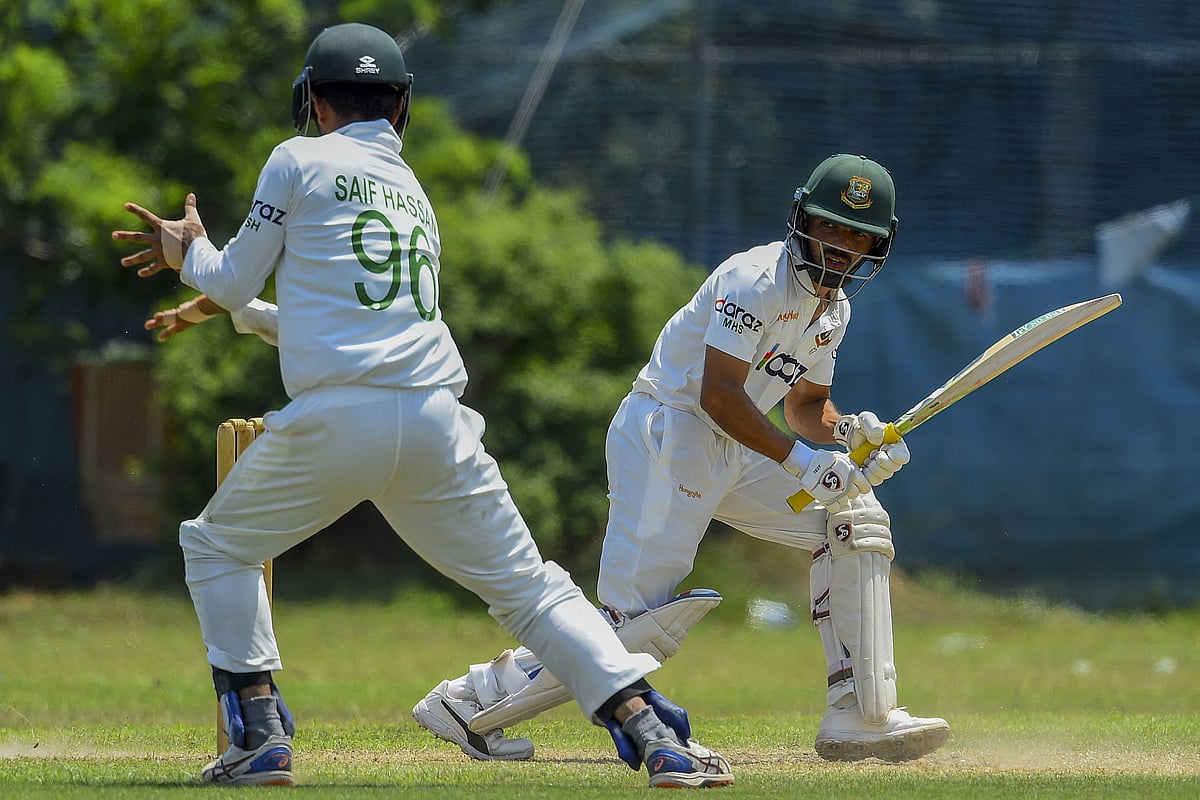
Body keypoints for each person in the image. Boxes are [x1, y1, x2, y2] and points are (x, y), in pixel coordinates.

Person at [112, 23, 739, 789]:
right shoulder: (411, 192)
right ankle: (654, 734)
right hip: (436, 424)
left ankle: (261, 734)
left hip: (338, 420)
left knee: (218, 548)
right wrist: (242, 315)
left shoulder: (297, 158)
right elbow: (353, 322)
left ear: (313, 101)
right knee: (534, 594)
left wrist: (187, 255)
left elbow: (234, 277)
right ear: (401, 106)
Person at [411, 154, 951, 764]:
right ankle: (469, 699)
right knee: (636, 629)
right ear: (802, 219)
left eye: (857, 236)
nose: (841, 246)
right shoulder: (755, 280)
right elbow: (718, 395)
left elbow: (805, 405)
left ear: (877, 245)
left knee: (852, 518)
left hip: (729, 445)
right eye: (830, 226)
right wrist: (804, 464)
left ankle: (859, 712)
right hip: (669, 434)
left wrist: (849, 431)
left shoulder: (835, 311)